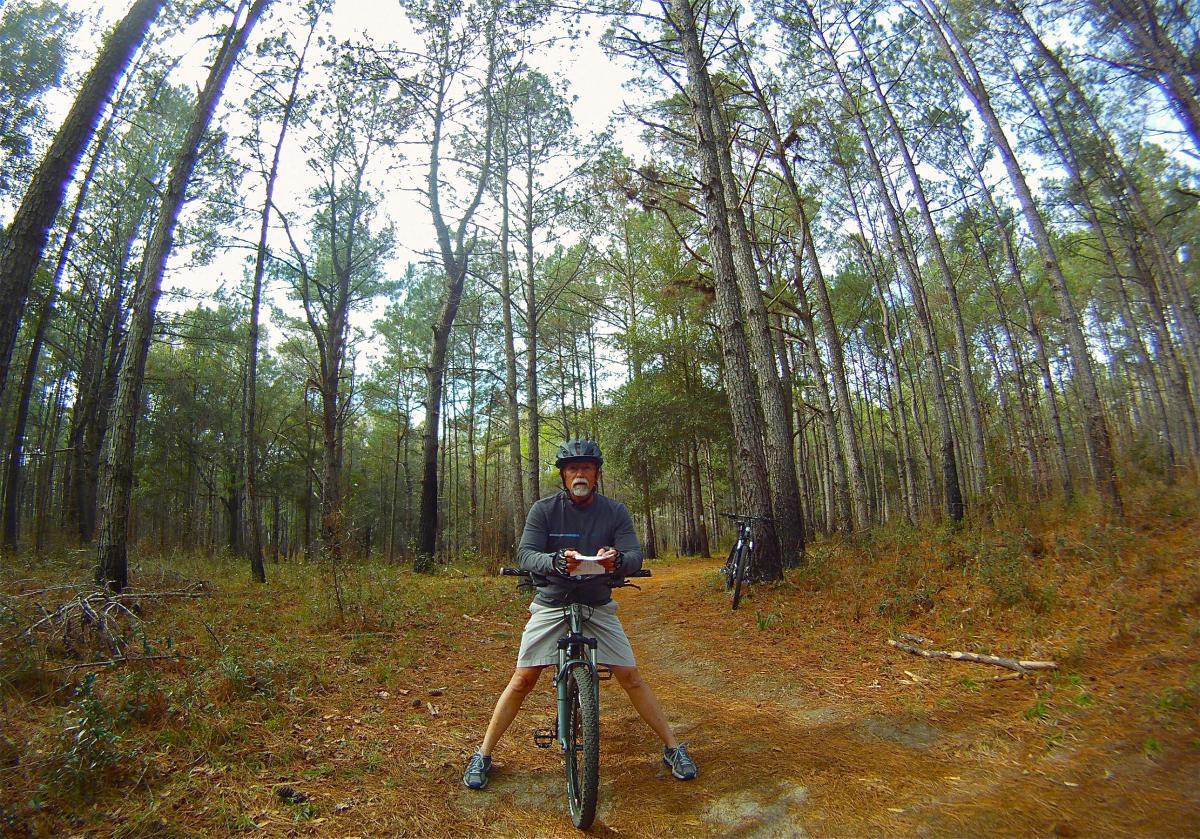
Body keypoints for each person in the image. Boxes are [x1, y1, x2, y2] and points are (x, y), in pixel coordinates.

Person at [463, 439, 697, 789]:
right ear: (563, 476)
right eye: (572, 469)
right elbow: (526, 554)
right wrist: (555, 561)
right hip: (552, 602)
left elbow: (635, 555)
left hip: (597, 603)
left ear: (596, 474)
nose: (579, 474)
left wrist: (617, 560)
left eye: (586, 468)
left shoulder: (614, 511)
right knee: (523, 679)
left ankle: (673, 747)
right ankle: (483, 753)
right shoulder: (543, 510)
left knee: (631, 676)